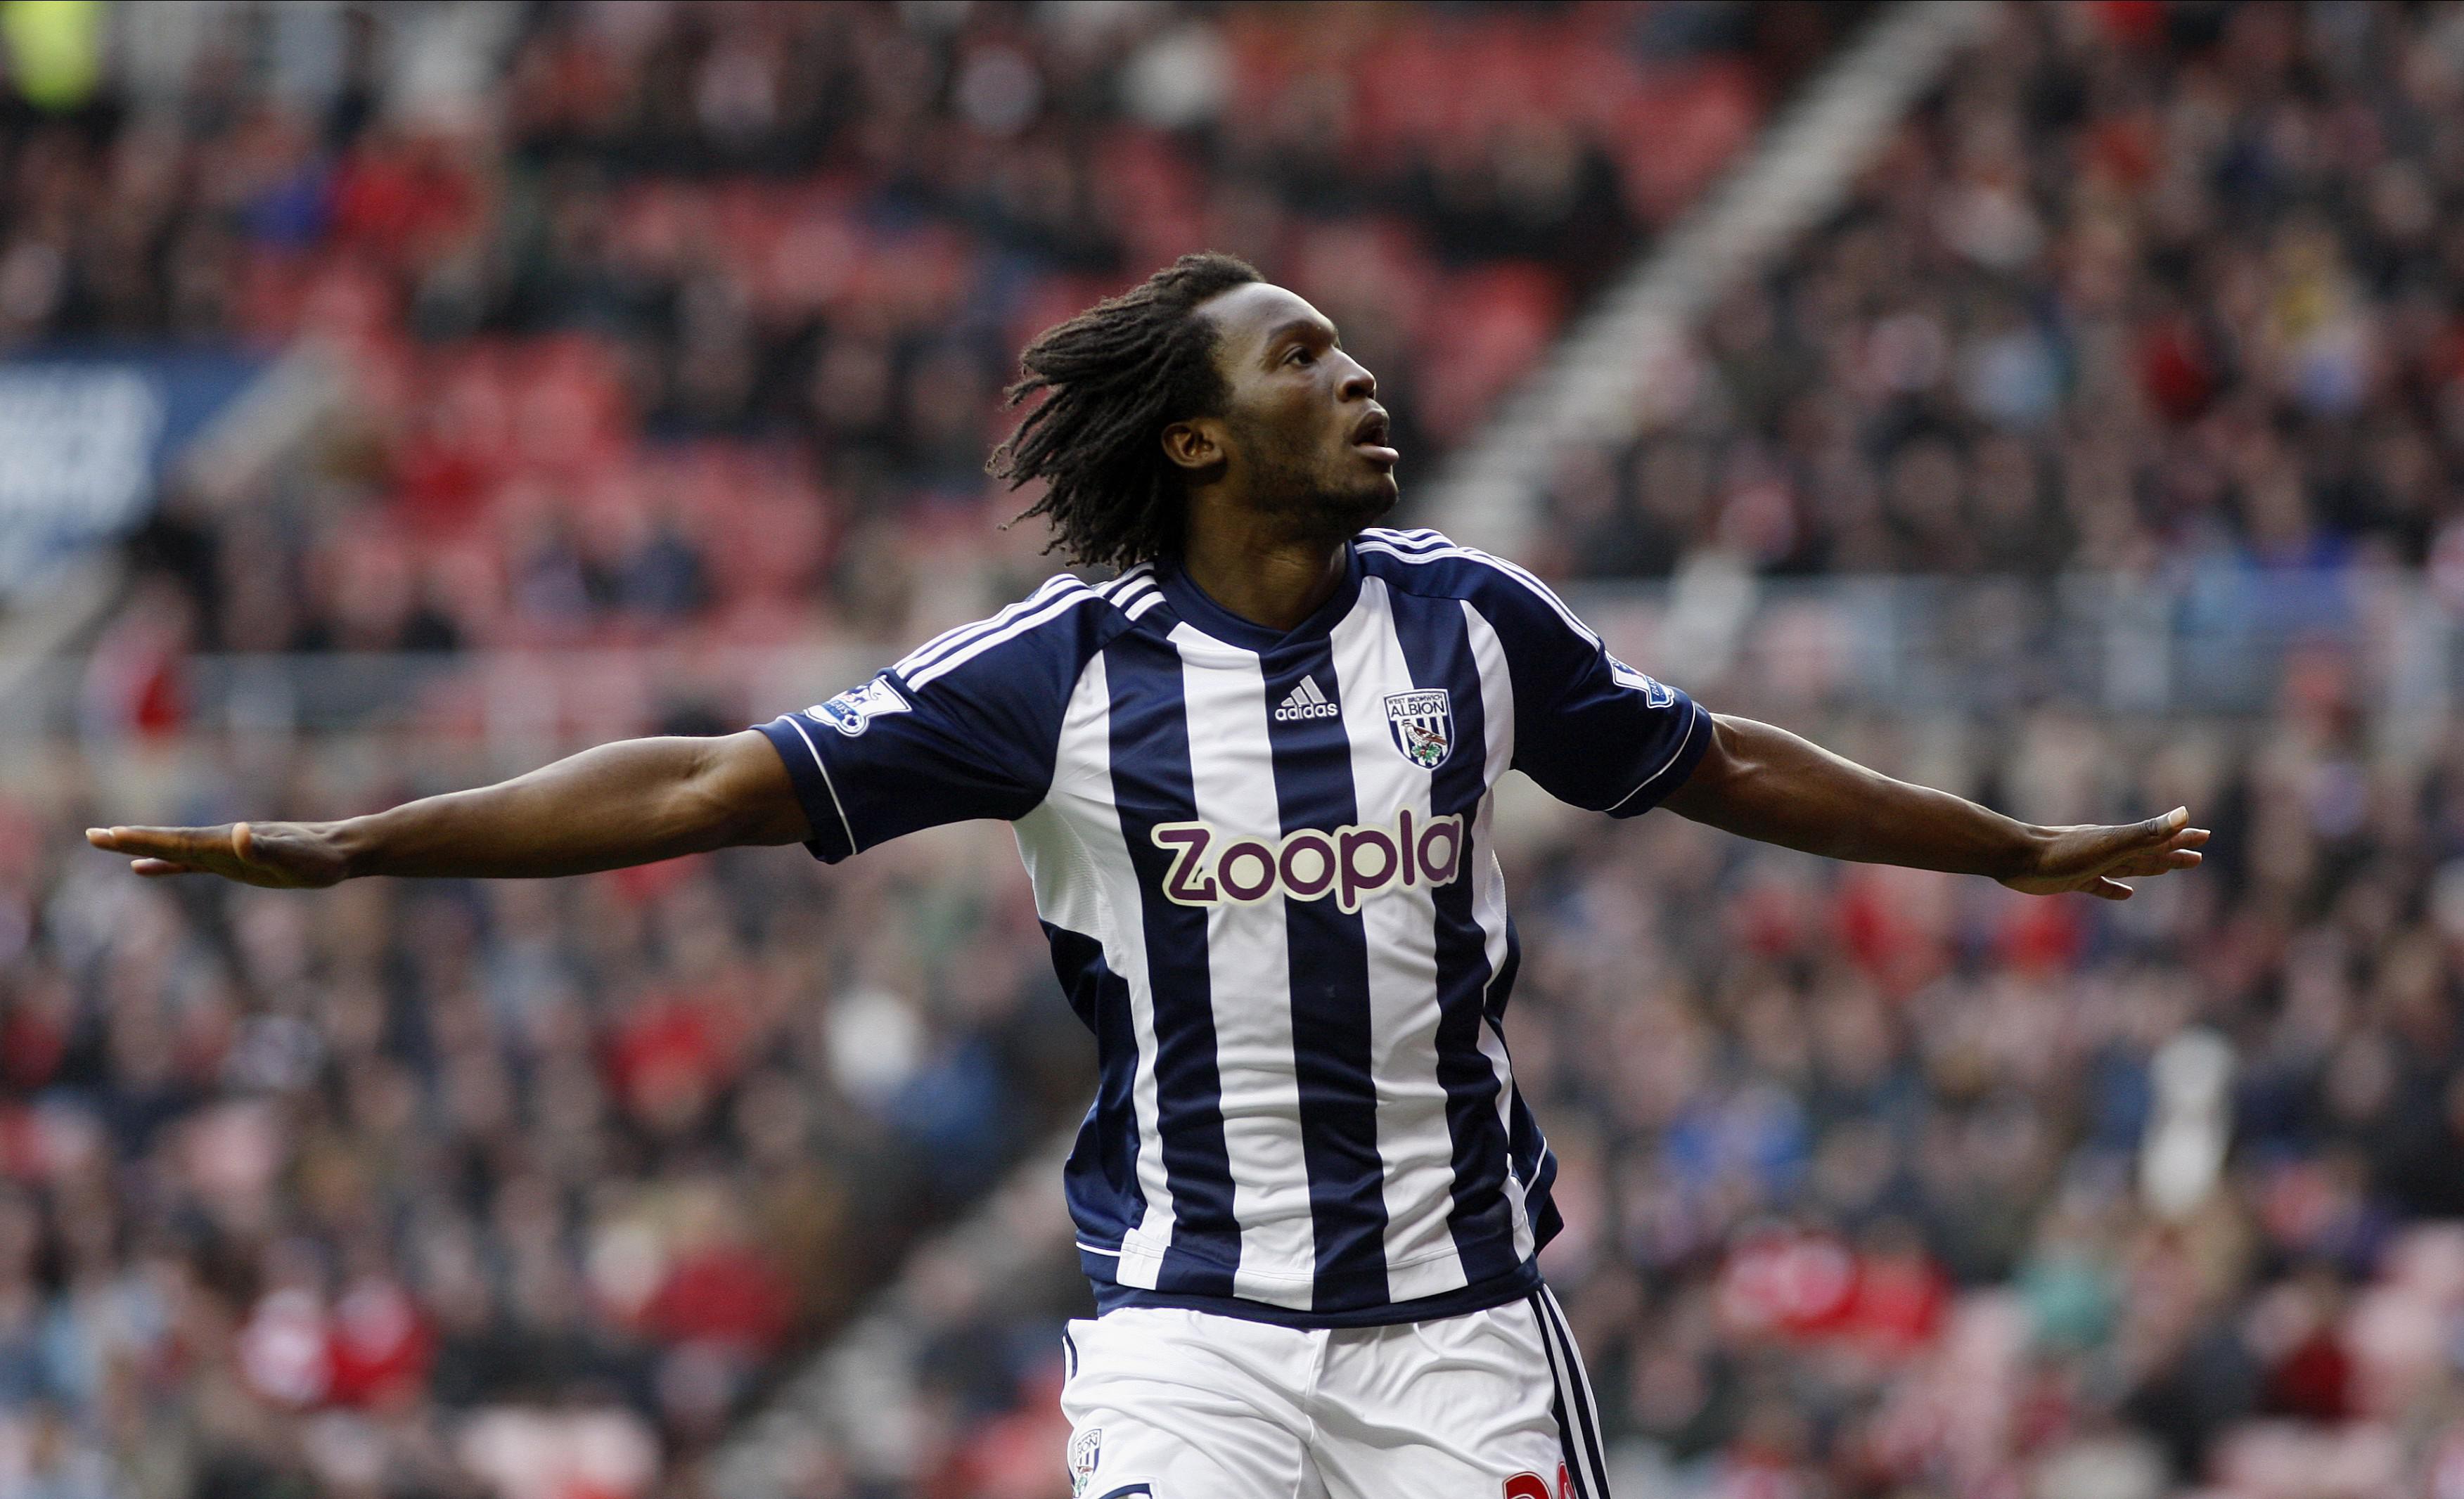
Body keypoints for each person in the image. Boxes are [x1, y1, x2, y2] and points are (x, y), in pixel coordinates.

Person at [88, 253, 2206, 1498]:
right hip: (1189, 1322)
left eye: (1355, 350)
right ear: (1194, 439)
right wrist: (368, 839)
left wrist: (2002, 842)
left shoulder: (1468, 616)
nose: (1360, 374)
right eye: (1301, 357)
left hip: (1462, 1322)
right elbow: (703, 785)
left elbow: (1708, 756)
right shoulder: (1058, 674)